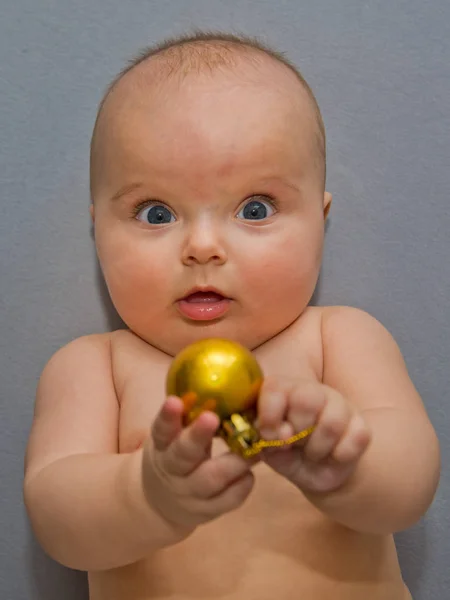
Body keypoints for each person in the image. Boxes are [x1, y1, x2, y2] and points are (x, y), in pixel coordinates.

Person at [23, 31, 440, 600]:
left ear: (321, 221)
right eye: (155, 212)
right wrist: (147, 495)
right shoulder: (95, 369)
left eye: (255, 208)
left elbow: (413, 483)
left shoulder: (339, 340)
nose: (202, 247)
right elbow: (57, 518)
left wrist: (349, 464)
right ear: (99, 229)